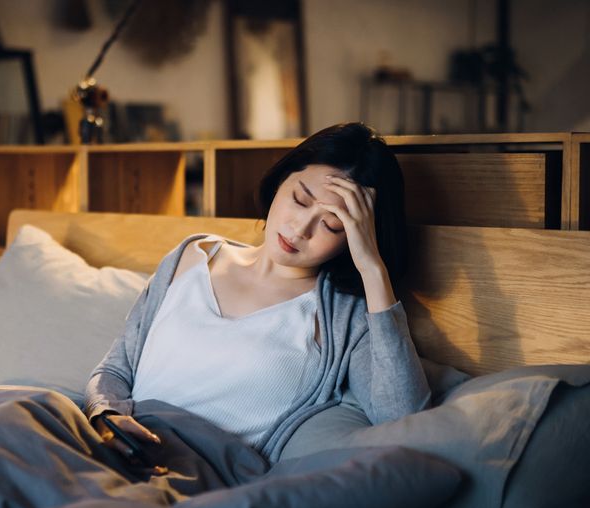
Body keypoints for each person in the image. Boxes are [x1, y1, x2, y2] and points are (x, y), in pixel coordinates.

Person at [84, 122, 431, 474]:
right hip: (107, 443)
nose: (299, 229)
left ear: (355, 238)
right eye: (299, 199)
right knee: (32, 409)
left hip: (188, 473)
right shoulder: (190, 256)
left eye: (331, 225)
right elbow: (115, 368)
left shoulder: (343, 314)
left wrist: (373, 269)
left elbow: (401, 415)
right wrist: (106, 416)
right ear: (281, 179)